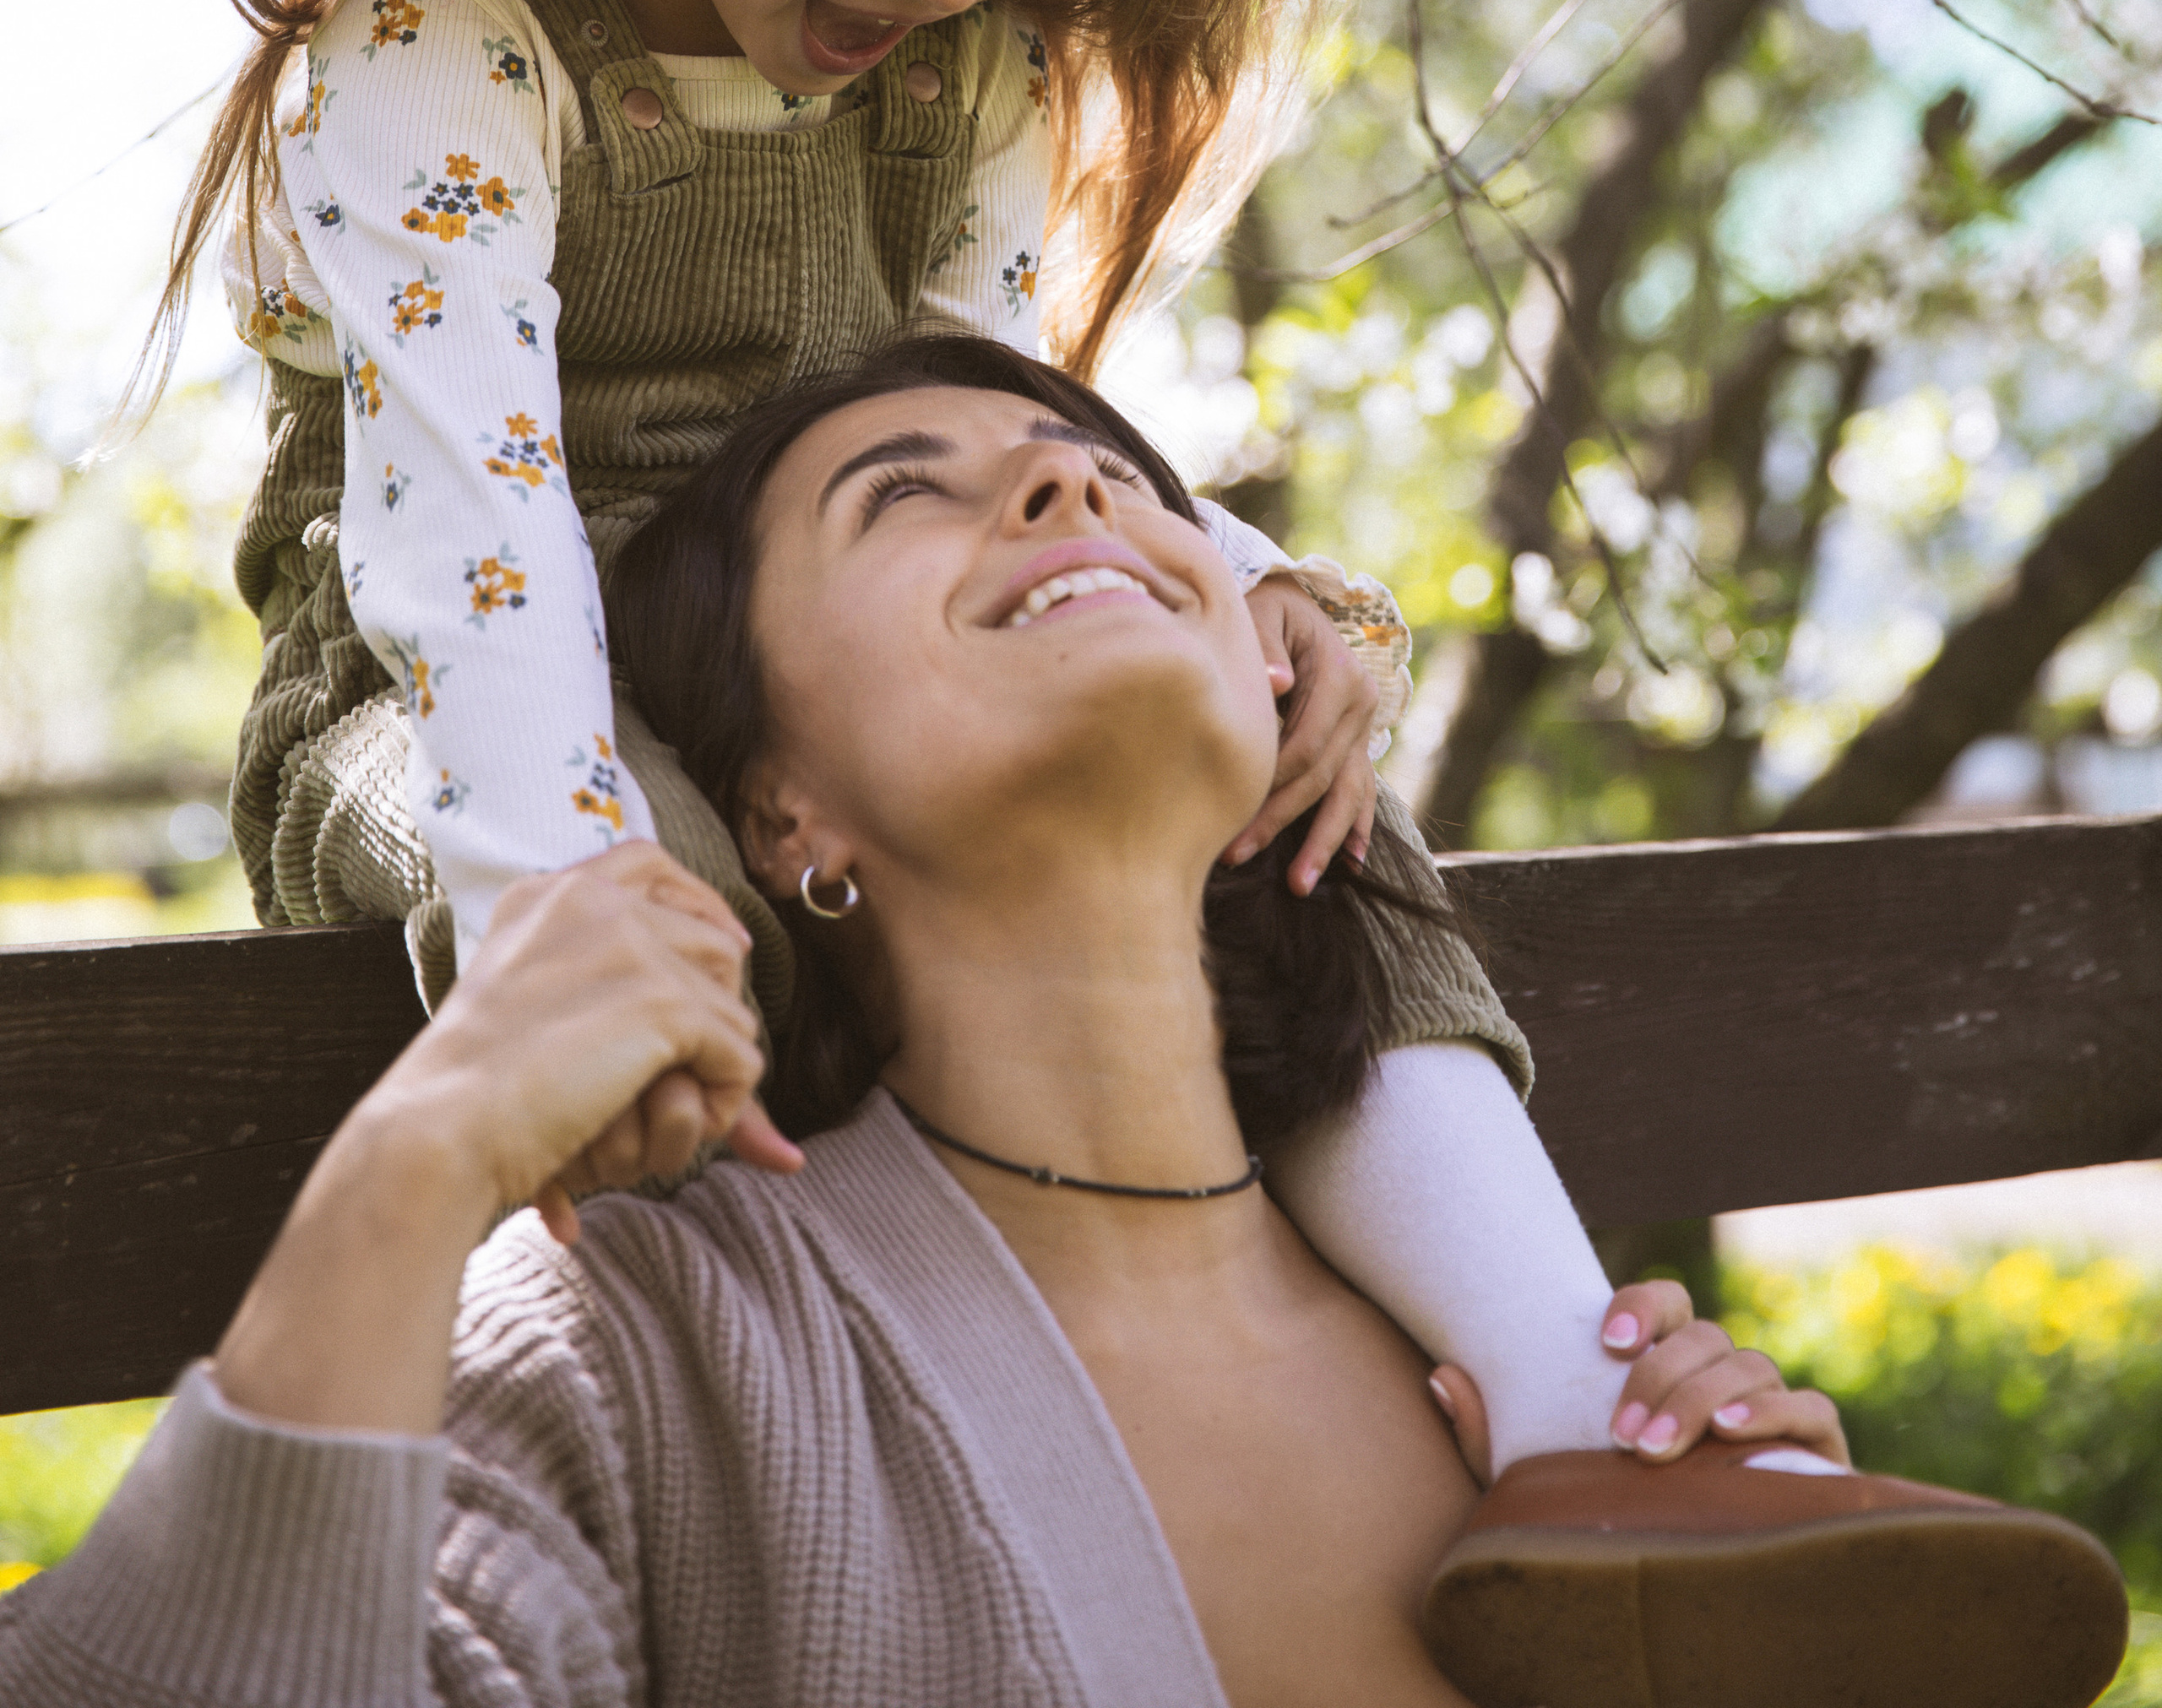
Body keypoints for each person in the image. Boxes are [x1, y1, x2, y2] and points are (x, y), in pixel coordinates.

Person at [149, 0, 1638, 1509]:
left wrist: (1240, 600)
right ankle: (818, 1483)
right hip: (454, 692)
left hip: (832, 655)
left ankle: (1589, 1436)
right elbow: (474, 537)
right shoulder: (449, 27)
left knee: (1297, 813)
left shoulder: (981, 54)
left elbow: (997, 418)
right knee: (650, 891)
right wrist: (566, 914)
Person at [11, 339, 2116, 1708]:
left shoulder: (1517, 1362)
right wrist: (416, 1158)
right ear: (779, 813)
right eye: (900, 494)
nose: (1064, 499)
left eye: (1106, 474)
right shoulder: (653, 1338)